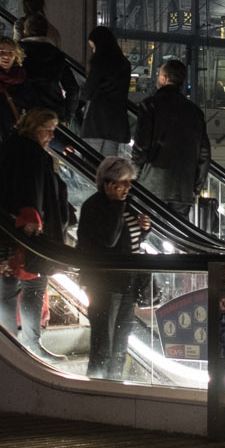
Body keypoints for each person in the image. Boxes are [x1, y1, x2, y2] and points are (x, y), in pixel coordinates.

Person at [0, 108, 74, 361]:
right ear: (33, 127)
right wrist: (33, 220)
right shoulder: (30, 152)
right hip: (28, 232)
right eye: (47, 129)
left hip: (6, 230)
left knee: (8, 287)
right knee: (34, 285)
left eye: (54, 130)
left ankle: (9, 344)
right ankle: (30, 345)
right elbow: (30, 189)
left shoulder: (10, 146)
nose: (51, 135)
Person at [78, 156, 150, 380]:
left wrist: (143, 229)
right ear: (108, 183)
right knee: (103, 346)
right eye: (124, 182)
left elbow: (127, 242)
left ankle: (115, 387)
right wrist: (115, 204)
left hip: (126, 284)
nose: (128, 187)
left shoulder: (125, 206)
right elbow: (109, 239)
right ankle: (97, 391)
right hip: (104, 286)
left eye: (130, 182)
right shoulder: (96, 206)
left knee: (120, 346)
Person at [131, 59, 209, 221]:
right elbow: (204, 153)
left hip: (151, 186)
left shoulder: (149, 105)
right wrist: (196, 186)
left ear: (163, 79)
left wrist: (134, 175)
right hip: (183, 188)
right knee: (176, 235)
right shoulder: (195, 112)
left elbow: (141, 146)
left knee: (147, 231)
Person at [77, 26, 131, 158]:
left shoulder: (100, 61)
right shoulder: (125, 63)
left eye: (93, 46)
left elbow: (87, 93)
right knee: (108, 168)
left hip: (97, 123)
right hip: (116, 125)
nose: (94, 51)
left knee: (90, 165)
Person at [17, 14, 76, 119]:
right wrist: (67, 115)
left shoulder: (17, 54)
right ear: (46, 33)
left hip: (25, 113)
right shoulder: (57, 55)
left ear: (25, 32)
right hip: (53, 114)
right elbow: (73, 88)